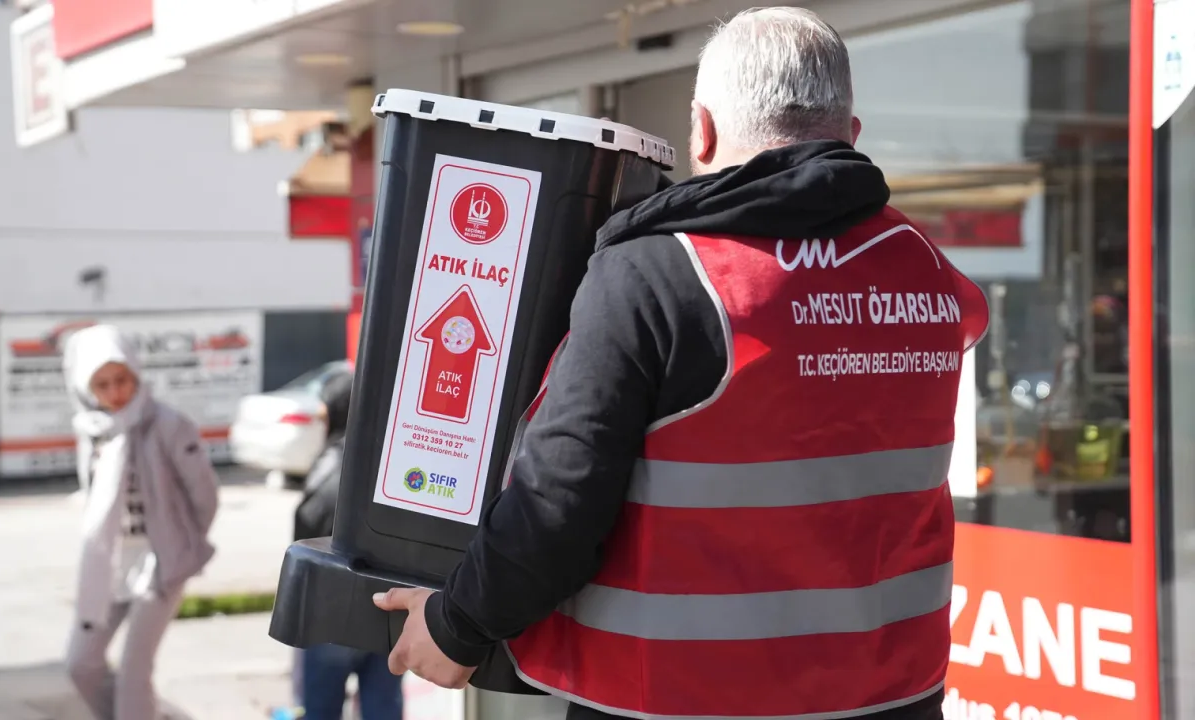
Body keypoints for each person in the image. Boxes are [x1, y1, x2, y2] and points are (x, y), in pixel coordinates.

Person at [372, 6, 990, 720]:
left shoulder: (661, 276)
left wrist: (457, 624)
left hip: (681, 700)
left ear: (702, 130)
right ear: (850, 135)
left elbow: (558, 500)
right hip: (891, 698)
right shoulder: (928, 274)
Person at [62, 324, 220, 720]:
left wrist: (182, 542)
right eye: (102, 385)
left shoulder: (167, 424)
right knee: (81, 665)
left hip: (159, 564)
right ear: (86, 388)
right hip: (108, 565)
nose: (115, 392)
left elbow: (204, 494)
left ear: (135, 373)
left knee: (134, 675)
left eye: (122, 379)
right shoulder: (92, 429)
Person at [284, 365, 404, 720]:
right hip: (387, 610)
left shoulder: (336, 461)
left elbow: (307, 525)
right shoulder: (393, 458)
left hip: (333, 611)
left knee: (322, 709)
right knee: (383, 708)